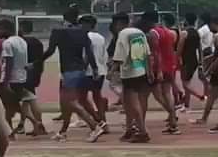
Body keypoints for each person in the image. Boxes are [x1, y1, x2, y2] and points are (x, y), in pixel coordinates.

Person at [42, 9, 105, 142]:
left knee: (70, 102)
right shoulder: (82, 33)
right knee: (67, 103)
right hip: (80, 70)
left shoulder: (58, 32)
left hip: (69, 71)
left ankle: (95, 126)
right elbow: (89, 53)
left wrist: (36, 62)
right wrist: (94, 69)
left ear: (64, 18)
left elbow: (50, 51)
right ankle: (63, 132)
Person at [111, 12, 154, 143]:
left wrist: (112, 71)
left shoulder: (123, 34)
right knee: (129, 104)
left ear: (119, 24)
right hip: (140, 70)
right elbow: (147, 54)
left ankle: (142, 132)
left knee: (133, 104)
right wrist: (149, 71)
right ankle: (129, 130)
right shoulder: (139, 32)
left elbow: (120, 56)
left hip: (129, 72)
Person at [151, 13, 182, 133]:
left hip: (161, 65)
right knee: (167, 93)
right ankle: (172, 119)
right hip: (170, 64)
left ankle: (172, 116)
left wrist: (157, 69)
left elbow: (156, 52)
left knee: (158, 95)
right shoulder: (169, 33)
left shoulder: (154, 33)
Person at [79, 14, 110, 130]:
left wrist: (83, 68)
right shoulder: (101, 37)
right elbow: (103, 55)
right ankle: (103, 120)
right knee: (97, 96)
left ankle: (97, 119)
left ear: (86, 24)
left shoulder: (84, 36)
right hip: (100, 70)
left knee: (81, 98)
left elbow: (87, 54)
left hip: (88, 71)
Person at [177, 13, 205, 109]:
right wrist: (201, 62)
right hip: (194, 60)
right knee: (187, 82)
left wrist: (177, 59)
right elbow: (200, 49)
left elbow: (179, 48)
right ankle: (186, 105)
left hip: (185, 60)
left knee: (185, 83)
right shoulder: (197, 33)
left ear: (186, 20)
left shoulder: (184, 33)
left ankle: (199, 96)